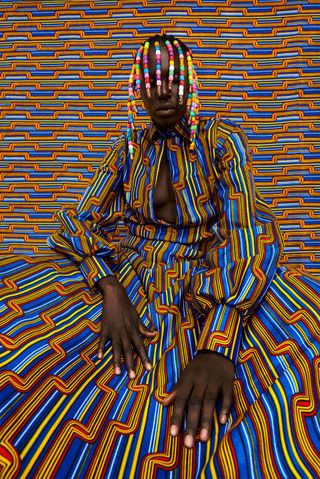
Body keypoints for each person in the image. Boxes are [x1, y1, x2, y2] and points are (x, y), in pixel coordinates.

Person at [0, 33, 319, 479]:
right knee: (30, 346)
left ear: (189, 81)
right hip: (131, 268)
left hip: (210, 272)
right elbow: (77, 220)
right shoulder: (128, 149)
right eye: (152, 80)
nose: (163, 90)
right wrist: (109, 286)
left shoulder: (220, 140)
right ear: (139, 88)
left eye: (172, 77)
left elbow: (248, 228)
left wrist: (218, 345)